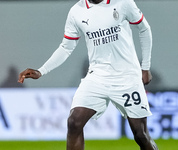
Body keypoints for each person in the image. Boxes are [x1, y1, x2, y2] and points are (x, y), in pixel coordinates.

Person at [18, 0, 158, 149]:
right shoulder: (76, 11)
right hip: (97, 76)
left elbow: (144, 29)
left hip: (127, 77)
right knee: (74, 122)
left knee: (140, 134)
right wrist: (41, 71)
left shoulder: (123, 3)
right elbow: (66, 47)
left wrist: (145, 67)